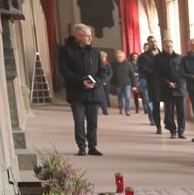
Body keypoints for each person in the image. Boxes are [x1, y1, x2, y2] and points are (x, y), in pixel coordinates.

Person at [57, 23, 109, 156]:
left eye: (90, 36)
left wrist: (95, 83)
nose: (90, 39)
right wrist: (81, 82)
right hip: (77, 92)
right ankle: (81, 147)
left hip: (93, 92)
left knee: (93, 122)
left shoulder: (95, 52)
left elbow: (103, 72)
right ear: (77, 36)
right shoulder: (65, 51)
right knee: (79, 121)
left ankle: (92, 146)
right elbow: (64, 70)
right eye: (87, 36)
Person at [154, 39, 187, 138]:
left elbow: (184, 73)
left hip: (179, 88)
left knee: (181, 111)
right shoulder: (158, 58)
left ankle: (181, 131)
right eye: (167, 46)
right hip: (166, 89)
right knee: (169, 112)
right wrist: (168, 83)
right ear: (164, 47)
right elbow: (157, 74)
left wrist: (178, 83)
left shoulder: (180, 58)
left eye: (171, 46)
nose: (169, 48)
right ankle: (172, 130)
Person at [109, 50, 136, 115]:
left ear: (124, 57)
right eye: (118, 57)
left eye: (121, 57)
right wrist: (111, 83)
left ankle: (128, 110)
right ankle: (121, 109)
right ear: (116, 57)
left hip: (127, 83)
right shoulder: (112, 64)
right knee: (120, 97)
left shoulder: (128, 64)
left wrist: (134, 85)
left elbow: (132, 75)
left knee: (127, 97)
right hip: (117, 83)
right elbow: (110, 74)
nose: (119, 58)